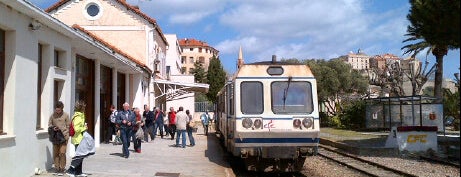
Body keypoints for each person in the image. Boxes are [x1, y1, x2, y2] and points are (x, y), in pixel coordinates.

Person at [66, 100, 88, 176]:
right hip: (77, 139)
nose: (85, 108)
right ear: (81, 108)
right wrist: (84, 128)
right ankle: (71, 171)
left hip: (80, 138)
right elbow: (77, 129)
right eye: (84, 107)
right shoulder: (78, 116)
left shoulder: (81, 115)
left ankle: (79, 172)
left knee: (81, 156)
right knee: (79, 157)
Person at [48, 101, 70, 175]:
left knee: (62, 153)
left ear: (62, 109)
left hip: (63, 137)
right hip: (55, 137)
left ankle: (62, 168)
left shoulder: (66, 115)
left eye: (59, 110)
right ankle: (57, 168)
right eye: (56, 110)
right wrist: (53, 128)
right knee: (56, 153)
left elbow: (68, 126)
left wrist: (66, 134)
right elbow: (49, 124)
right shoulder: (52, 115)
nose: (57, 111)